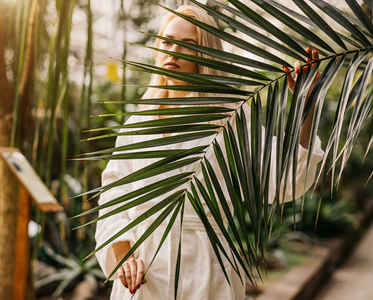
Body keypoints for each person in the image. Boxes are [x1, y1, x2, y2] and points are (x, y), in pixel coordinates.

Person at [95, 5, 324, 300]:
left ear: (205, 54)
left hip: (207, 274)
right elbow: (114, 200)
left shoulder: (227, 119)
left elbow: (284, 180)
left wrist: (306, 106)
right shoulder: (139, 125)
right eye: (167, 41)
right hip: (144, 282)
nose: (173, 52)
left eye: (187, 45)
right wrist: (124, 258)